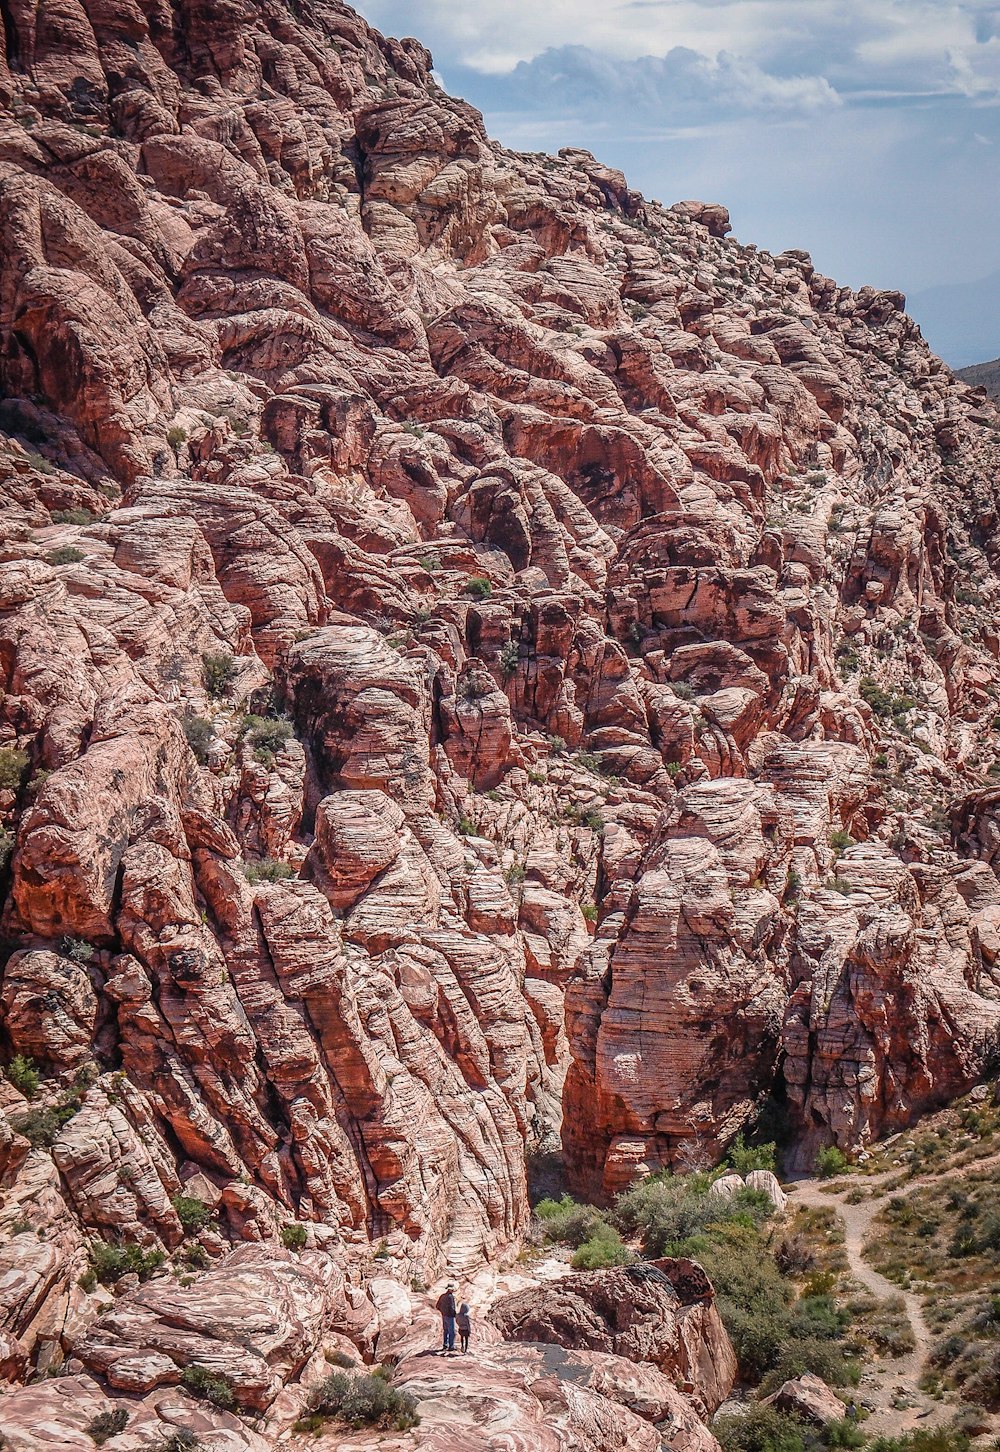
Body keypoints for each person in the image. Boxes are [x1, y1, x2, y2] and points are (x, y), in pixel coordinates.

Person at [435, 1283, 457, 1352]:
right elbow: (452, 1307)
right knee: (452, 1332)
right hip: (450, 1316)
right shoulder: (451, 1297)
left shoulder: (442, 1296)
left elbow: (437, 1306)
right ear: (451, 1290)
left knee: (446, 1330)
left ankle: (445, 1345)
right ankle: (451, 1346)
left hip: (444, 1316)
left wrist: (442, 1311)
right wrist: (454, 1314)